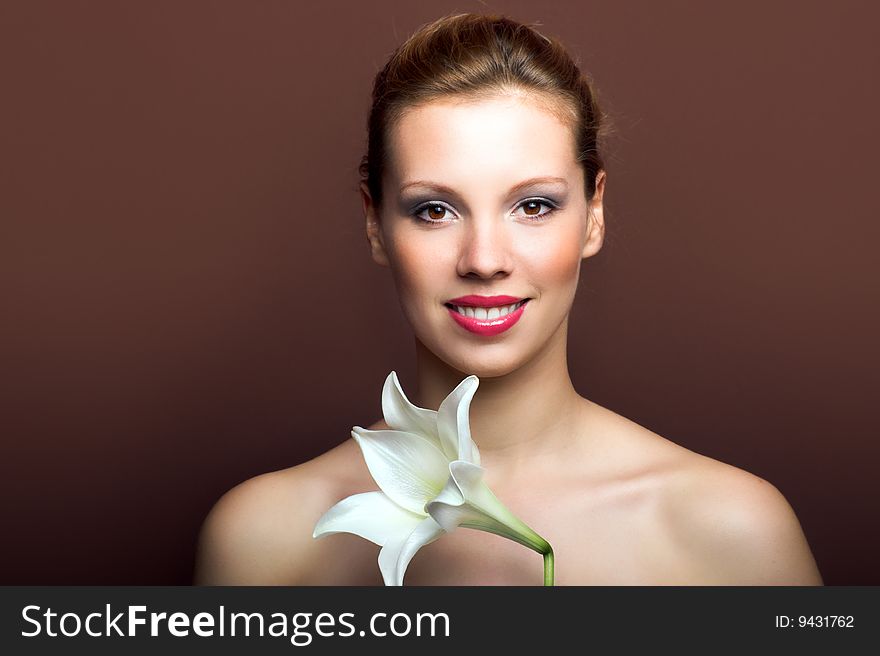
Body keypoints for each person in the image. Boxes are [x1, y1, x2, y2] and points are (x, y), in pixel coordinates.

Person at [194, 12, 823, 585]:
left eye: (533, 205)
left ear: (594, 214)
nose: (485, 260)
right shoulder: (266, 539)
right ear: (375, 224)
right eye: (434, 210)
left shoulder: (732, 532)